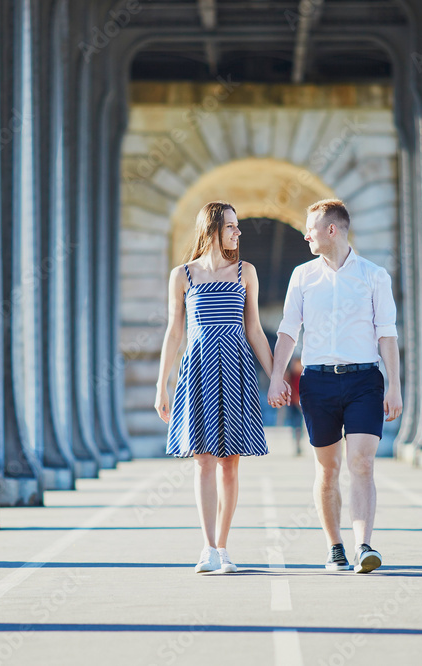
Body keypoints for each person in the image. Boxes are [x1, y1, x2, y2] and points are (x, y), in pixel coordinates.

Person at [267, 199, 401, 574]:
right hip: (317, 383)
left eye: (311, 227)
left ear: (332, 230)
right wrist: (277, 377)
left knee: (362, 462)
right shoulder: (302, 276)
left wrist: (394, 387)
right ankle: (335, 547)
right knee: (327, 470)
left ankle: (364, 546)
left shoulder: (375, 276)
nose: (305, 234)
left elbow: (387, 335)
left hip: (364, 381)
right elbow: (288, 331)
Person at [155, 201, 287, 574]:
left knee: (230, 465)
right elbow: (175, 332)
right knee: (203, 461)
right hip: (197, 370)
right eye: (231, 226)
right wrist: (161, 385)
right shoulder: (182, 276)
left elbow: (255, 331)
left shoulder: (246, 273)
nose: (238, 232)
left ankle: (224, 548)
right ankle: (207, 548)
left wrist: (276, 375)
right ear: (212, 228)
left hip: (237, 370)